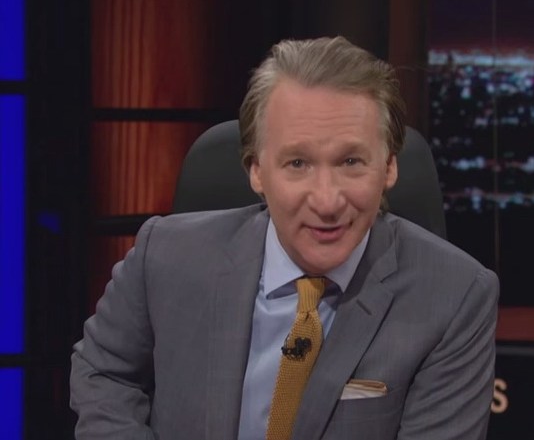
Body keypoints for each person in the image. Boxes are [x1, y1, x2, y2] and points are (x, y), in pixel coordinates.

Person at [70, 36, 499, 440]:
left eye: (351, 161)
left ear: (388, 167)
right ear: (256, 171)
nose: (327, 201)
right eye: (297, 163)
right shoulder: (164, 255)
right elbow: (104, 374)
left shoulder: (455, 297)